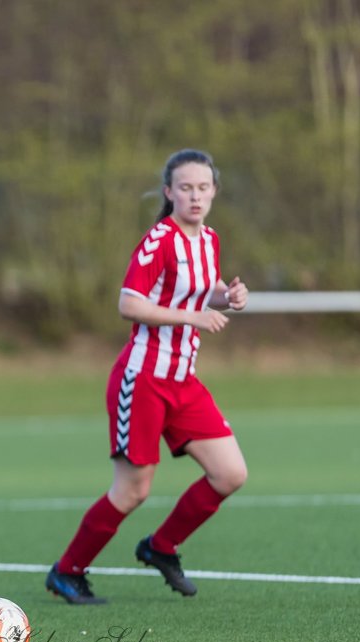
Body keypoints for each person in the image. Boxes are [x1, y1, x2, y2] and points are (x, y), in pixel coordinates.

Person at [46, 148, 249, 605]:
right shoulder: (159, 239)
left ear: (214, 191)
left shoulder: (209, 239)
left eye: (203, 187)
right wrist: (192, 317)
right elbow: (129, 304)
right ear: (168, 192)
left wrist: (227, 294)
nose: (195, 196)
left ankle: (161, 547)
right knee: (133, 489)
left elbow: (204, 288)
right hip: (142, 381)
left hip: (184, 381)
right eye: (185, 188)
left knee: (230, 473)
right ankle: (67, 571)